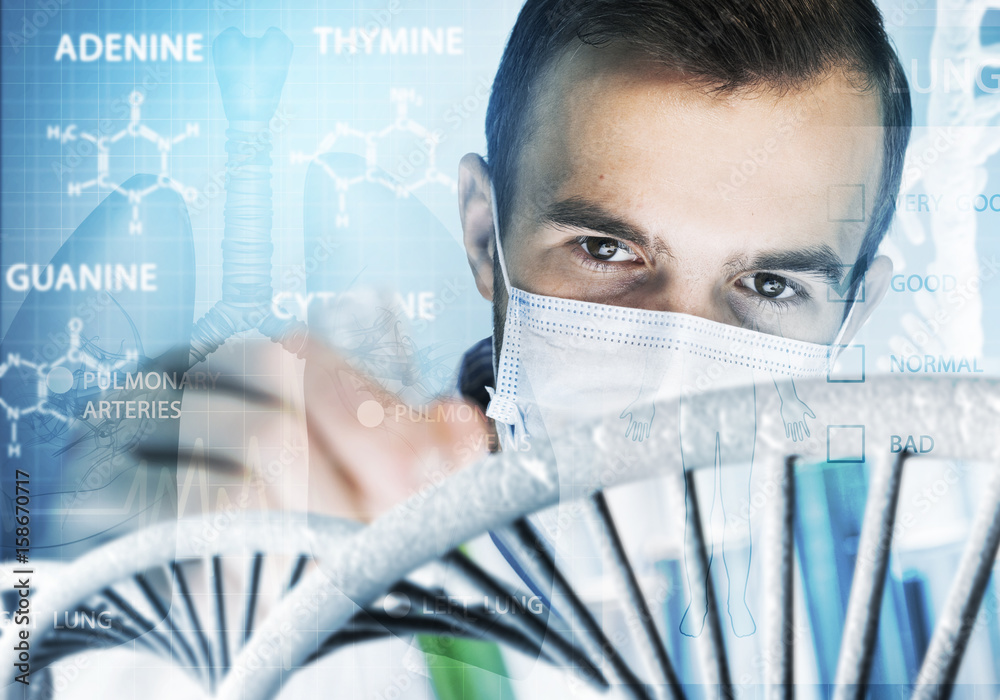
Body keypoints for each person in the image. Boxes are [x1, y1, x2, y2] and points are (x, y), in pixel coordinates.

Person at [453, 0, 911, 650]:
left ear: (852, 319)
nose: (676, 376)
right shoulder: (331, 603)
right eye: (605, 249)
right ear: (481, 238)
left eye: (770, 285)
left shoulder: (915, 618)